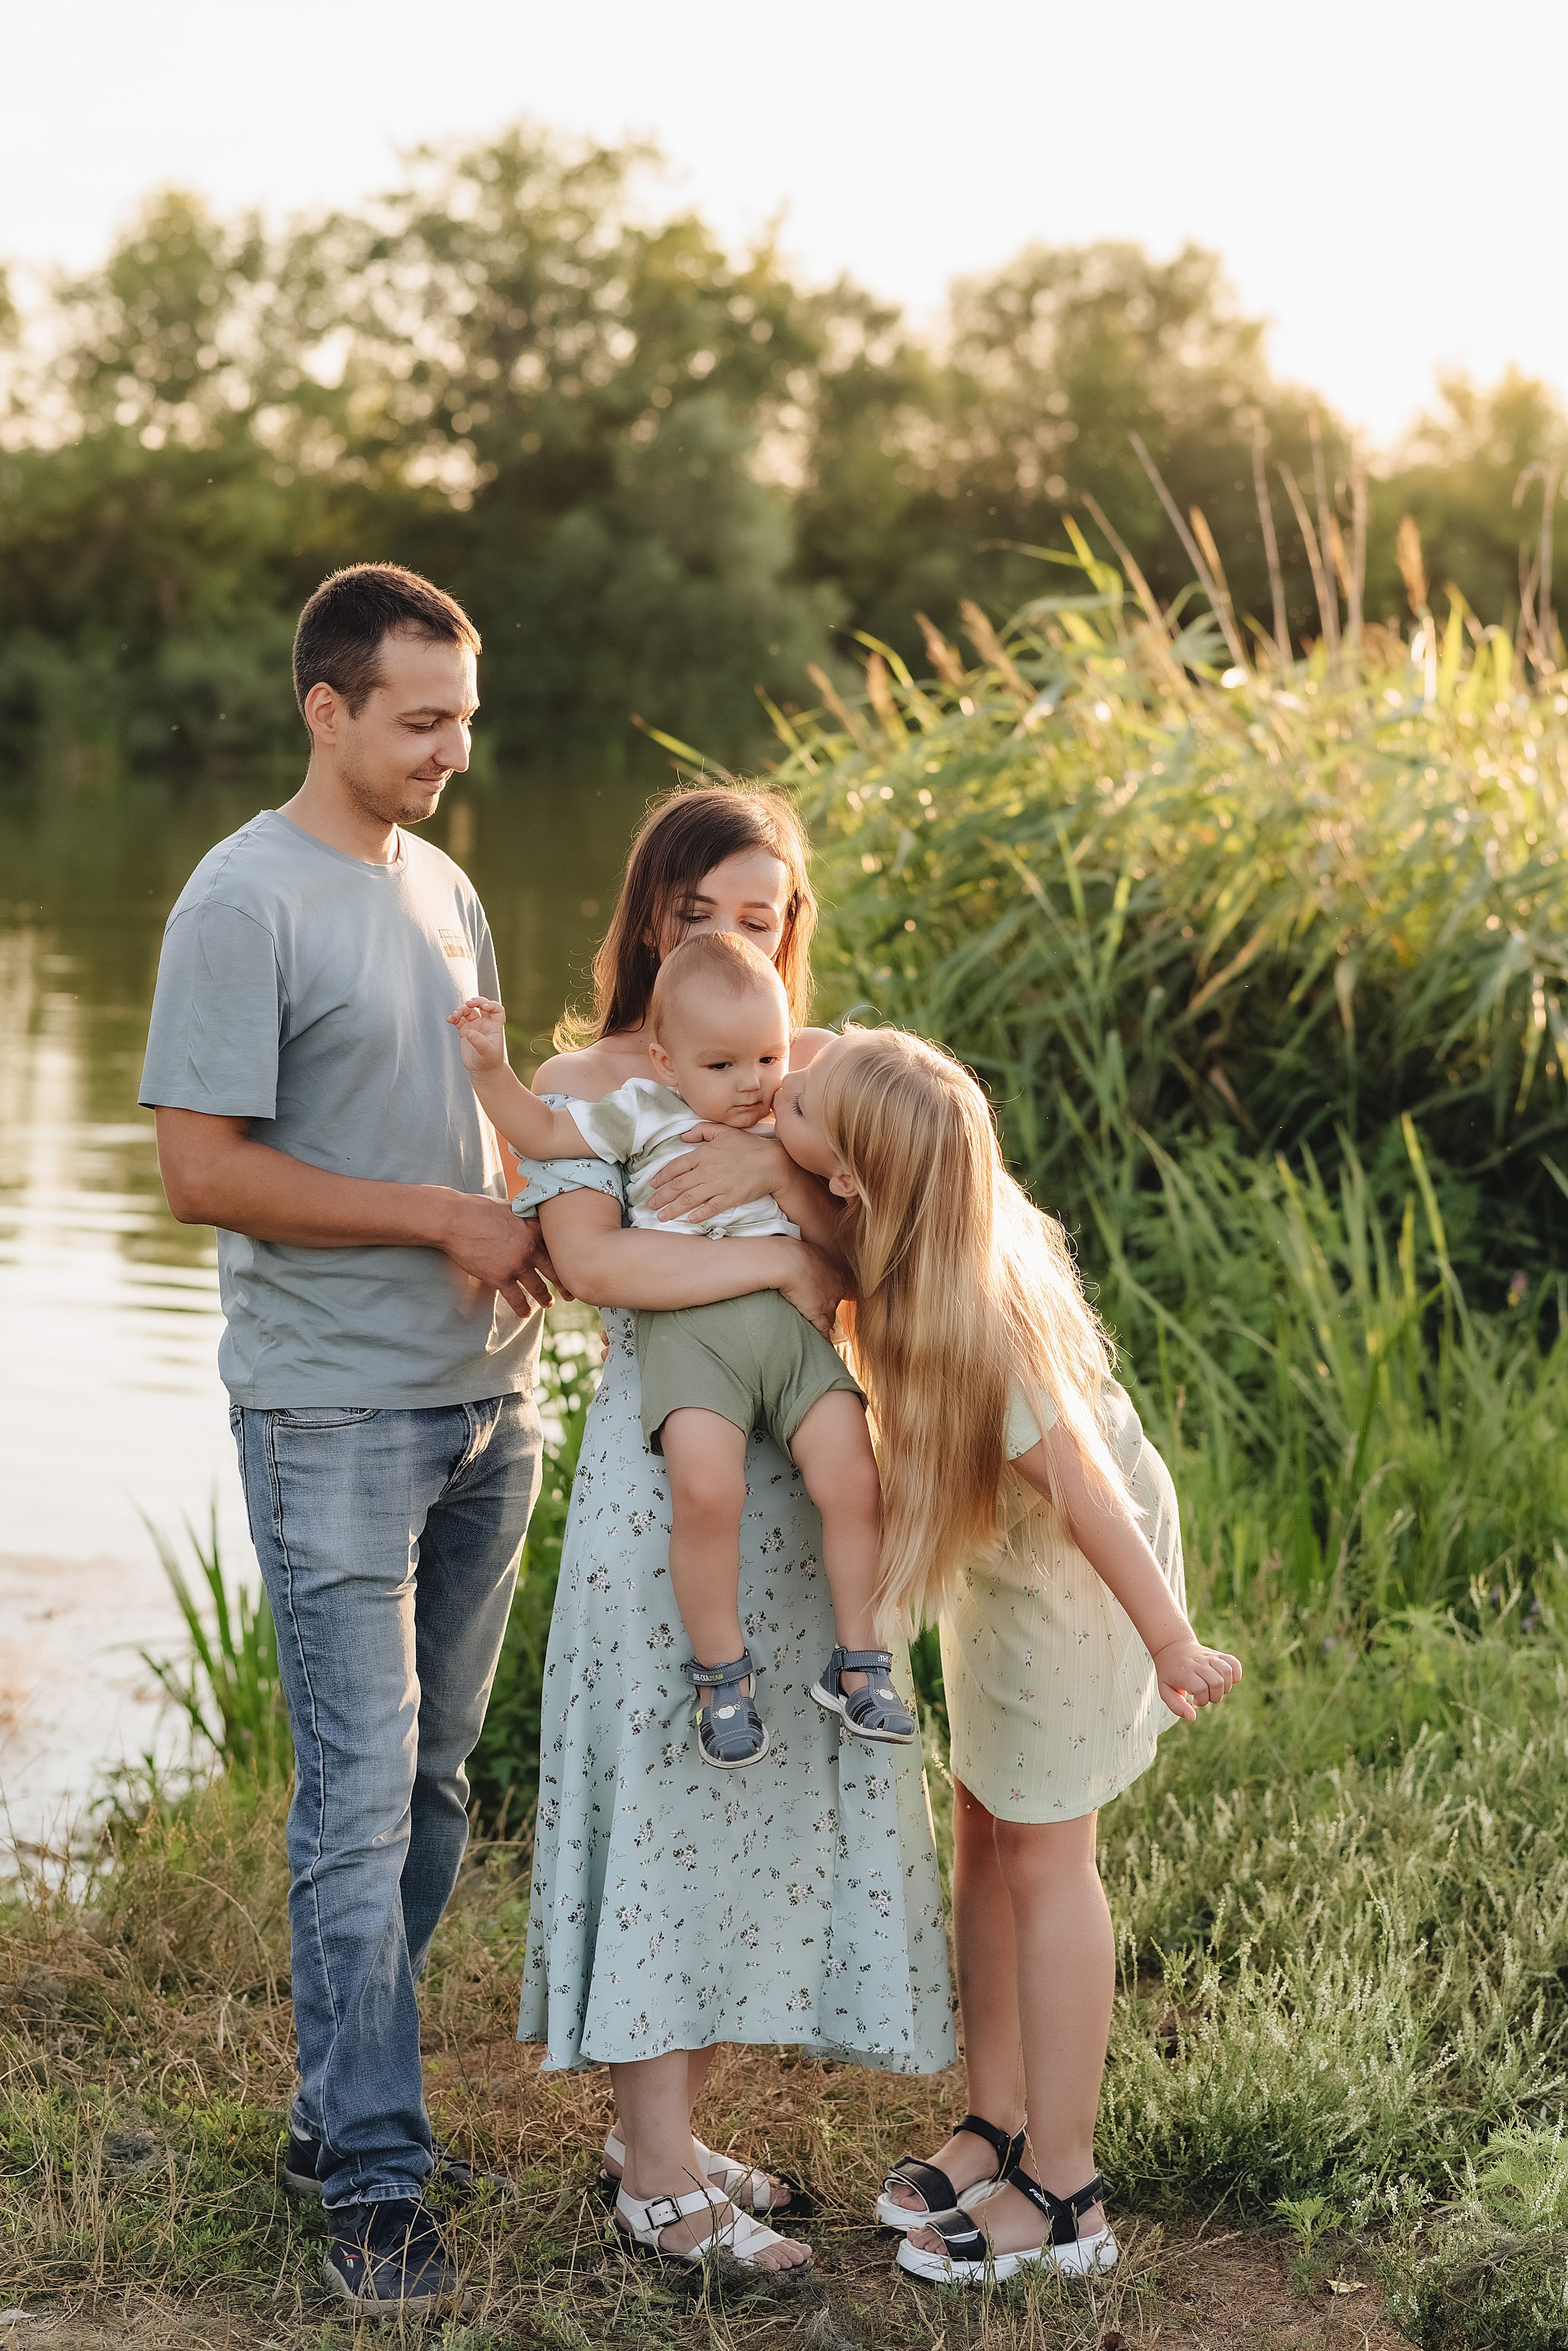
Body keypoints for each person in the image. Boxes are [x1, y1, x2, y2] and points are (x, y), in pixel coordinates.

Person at [140, 563, 556, 2318]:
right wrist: (431, 1221)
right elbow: (202, 1168)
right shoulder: (243, 899)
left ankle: (337, 2108)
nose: (453, 747)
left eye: (463, 714)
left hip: (488, 1401)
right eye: (422, 718)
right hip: (331, 1412)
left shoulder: (443, 875)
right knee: (357, 1793)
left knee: (440, 1787)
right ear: (326, 708)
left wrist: (534, 1200)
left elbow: (469, 1105)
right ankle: (377, 2177)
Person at [513, 787, 956, 2274]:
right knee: (662, 1781)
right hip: (673, 1472)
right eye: (702, 911)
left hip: (802, 1477)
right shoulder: (583, 1081)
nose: (729, 934)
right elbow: (590, 1262)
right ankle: (651, 2176)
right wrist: (777, 1256)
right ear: (653, 916)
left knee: (751, 1804)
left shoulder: (813, 1079)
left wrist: (777, 1183)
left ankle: (674, 2132)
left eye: (759, 916)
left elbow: (874, 1263)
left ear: (789, 929)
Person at [771, 1024, 1242, 2286]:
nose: (783, 1083)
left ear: (856, 1173)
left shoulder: (975, 1319)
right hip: (1004, 1582)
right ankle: (996, 2117)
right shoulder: (922, 1205)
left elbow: (1091, 1498)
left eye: (800, 1098)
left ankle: (1067, 2183)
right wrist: (813, 1082)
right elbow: (844, 1074)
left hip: (1079, 1594)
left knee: (1046, 1854)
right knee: (983, 1829)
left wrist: (1172, 1640)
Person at [448, 927, 915, 1772]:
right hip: (693, 1335)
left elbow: (867, 1213)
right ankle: (722, 1675)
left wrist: (788, 1162)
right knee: (705, 1488)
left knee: (854, 1475)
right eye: (722, 1066)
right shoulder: (641, 1111)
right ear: (666, 1062)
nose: (752, 1085)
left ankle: (862, 1662)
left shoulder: (794, 1120)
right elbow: (545, 1135)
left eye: (770, 1058)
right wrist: (490, 1069)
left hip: (793, 1332)